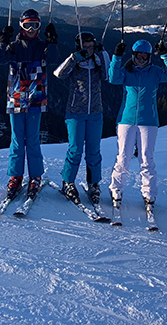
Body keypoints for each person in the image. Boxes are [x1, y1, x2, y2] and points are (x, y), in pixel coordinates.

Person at [0, 9, 59, 200]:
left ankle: (35, 176)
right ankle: (16, 175)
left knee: (32, 139)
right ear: (21, 26)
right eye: (27, 25)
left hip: (36, 98)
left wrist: (52, 41)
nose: (31, 29)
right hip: (16, 98)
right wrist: (2, 41)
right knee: (16, 139)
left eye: (35, 25)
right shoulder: (13, 47)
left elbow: (53, 59)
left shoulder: (42, 47)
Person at [108, 38, 167, 212]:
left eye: (145, 56)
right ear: (133, 55)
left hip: (148, 121)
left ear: (149, 57)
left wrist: (165, 54)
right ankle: (116, 190)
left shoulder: (155, 72)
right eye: (138, 56)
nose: (141, 59)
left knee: (146, 158)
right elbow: (112, 77)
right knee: (123, 157)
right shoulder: (125, 72)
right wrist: (116, 56)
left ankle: (149, 193)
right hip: (126, 120)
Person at [53, 31, 110, 206]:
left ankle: (94, 183)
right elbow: (58, 73)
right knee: (75, 149)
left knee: (94, 151)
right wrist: (74, 58)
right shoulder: (75, 63)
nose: (89, 50)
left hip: (95, 113)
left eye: (92, 47)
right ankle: (68, 182)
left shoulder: (98, 63)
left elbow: (108, 75)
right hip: (75, 113)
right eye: (85, 47)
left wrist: (102, 54)